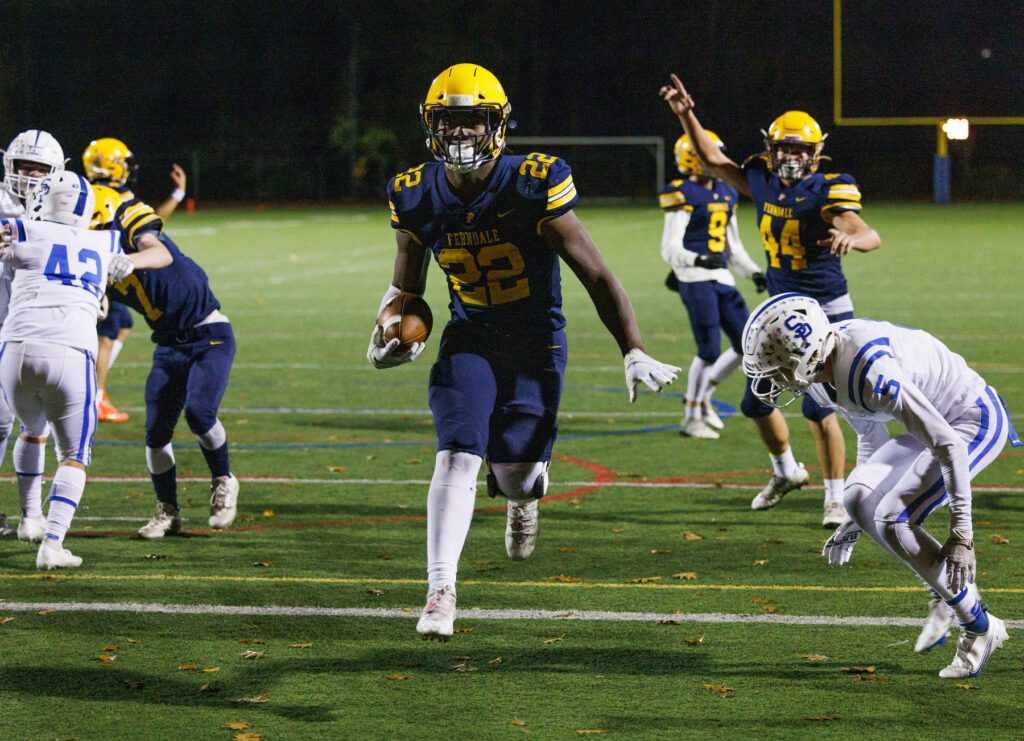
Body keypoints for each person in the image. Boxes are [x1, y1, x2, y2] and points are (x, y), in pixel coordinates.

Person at [368, 62, 680, 639]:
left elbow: (596, 275)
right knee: (456, 455)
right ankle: (441, 590)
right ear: (430, 126)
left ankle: (522, 495)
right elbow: (405, 289)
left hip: (536, 342)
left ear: (498, 125)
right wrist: (384, 333)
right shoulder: (414, 194)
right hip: (471, 336)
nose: (460, 135)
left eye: (473, 122)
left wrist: (632, 349)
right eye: (449, 123)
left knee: (515, 476)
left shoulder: (532, 182)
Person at [743, 293, 1018, 678]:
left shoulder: (872, 372)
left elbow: (947, 444)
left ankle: (978, 626)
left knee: (893, 516)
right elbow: (870, 436)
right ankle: (946, 592)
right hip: (931, 424)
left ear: (805, 358)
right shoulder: (823, 369)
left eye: (779, 369)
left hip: (969, 420)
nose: (773, 380)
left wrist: (963, 534)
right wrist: (857, 517)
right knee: (855, 497)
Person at [660, 74, 881, 527]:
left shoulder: (827, 187)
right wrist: (685, 113)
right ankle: (785, 472)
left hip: (824, 313)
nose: (793, 157)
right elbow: (712, 159)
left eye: (801, 150)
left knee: (819, 409)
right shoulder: (759, 178)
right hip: (779, 310)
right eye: (786, 149)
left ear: (815, 152)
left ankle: (835, 498)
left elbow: (867, 232)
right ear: (772, 149)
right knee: (755, 403)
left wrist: (850, 238)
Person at [0, 172, 166, 568]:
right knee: (74, 454)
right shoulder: (105, 240)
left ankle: (30, 518)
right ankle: (52, 545)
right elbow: (161, 255)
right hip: (71, 352)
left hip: (16, 349)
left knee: (31, 430)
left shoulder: (22, 228)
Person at [90, 184, 239, 538]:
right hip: (168, 343)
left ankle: (223, 479)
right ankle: (167, 511)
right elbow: (102, 306)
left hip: (209, 333)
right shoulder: (87, 254)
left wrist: (130, 260)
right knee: (156, 435)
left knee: (200, 414)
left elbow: (159, 253)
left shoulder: (127, 218)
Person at [659, 132, 766, 440]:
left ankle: (703, 394)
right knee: (708, 350)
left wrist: (754, 273)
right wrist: (698, 260)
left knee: (747, 345)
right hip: (693, 278)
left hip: (720, 278)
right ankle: (691, 416)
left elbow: (733, 248)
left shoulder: (726, 191)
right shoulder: (682, 192)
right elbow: (669, 247)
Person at [82, 137, 189, 423]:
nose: (128, 168)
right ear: (115, 164)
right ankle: (94, 395)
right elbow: (152, 224)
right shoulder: (119, 196)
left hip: (96, 271)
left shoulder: (82, 192)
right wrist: (177, 196)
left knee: (123, 325)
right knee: (106, 335)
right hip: (109, 274)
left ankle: (90, 387)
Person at [0, 130, 67, 542]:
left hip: (38, 332)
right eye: (25, 167)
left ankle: (31, 515)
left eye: (42, 169)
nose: (32, 176)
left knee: (35, 424)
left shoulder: (63, 210)